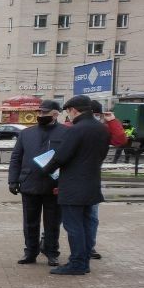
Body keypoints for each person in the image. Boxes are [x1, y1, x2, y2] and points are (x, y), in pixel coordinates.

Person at [42, 95, 109, 275]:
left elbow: (61, 156)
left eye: (68, 112)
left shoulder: (76, 130)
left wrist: (45, 169)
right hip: (92, 184)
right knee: (86, 224)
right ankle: (84, 261)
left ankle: (77, 263)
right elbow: (100, 155)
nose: (68, 116)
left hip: (73, 187)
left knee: (73, 226)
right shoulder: (102, 129)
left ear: (73, 110)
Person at [7, 100, 63, 266]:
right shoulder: (27, 133)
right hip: (29, 183)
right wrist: (13, 180)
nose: (40, 115)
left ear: (55, 114)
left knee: (52, 223)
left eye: (44, 113)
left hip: (54, 185)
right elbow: (16, 158)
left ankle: (52, 252)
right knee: (30, 222)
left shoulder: (66, 132)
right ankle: (30, 252)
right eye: (39, 112)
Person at [88, 100, 127, 259]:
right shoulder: (72, 127)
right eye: (93, 115)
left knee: (91, 217)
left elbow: (120, 140)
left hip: (92, 179)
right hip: (70, 179)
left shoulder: (102, 130)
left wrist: (112, 121)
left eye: (98, 115)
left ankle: (89, 247)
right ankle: (48, 242)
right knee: (61, 215)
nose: (95, 118)